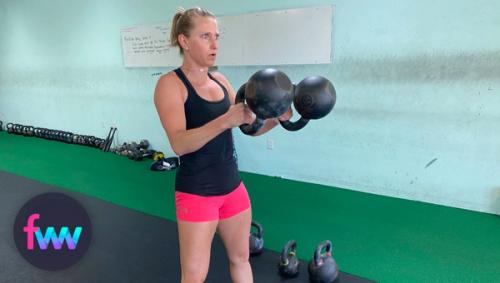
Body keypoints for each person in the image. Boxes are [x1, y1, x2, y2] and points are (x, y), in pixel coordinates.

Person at [154, 7, 291, 283]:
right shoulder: (171, 85)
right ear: (184, 41)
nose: (214, 44)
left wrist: (278, 120)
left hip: (233, 188)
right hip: (197, 192)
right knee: (194, 275)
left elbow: (247, 128)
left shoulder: (221, 80)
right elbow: (179, 143)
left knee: (241, 259)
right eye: (205, 36)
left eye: (216, 36)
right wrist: (225, 121)